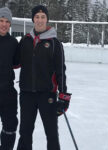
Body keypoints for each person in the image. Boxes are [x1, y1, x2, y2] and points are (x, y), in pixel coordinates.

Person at [17, 5, 71, 150]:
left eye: (43, 17)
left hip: (47, 95)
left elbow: (61, 71)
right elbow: (15, 62)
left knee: (52, 134)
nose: (40, 20)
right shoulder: (25, 41)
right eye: (37, 17)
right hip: (27, 94)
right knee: (25, 133)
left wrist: (64, 96)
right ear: (33, 19)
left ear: (47, 19)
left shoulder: (55, 43)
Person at [0, 7, 19, 150]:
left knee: (10, 126)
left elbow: (17, 63)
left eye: (7, 21)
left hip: (7, 92)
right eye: (1, 20)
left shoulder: (13, 43)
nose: (4, 24)